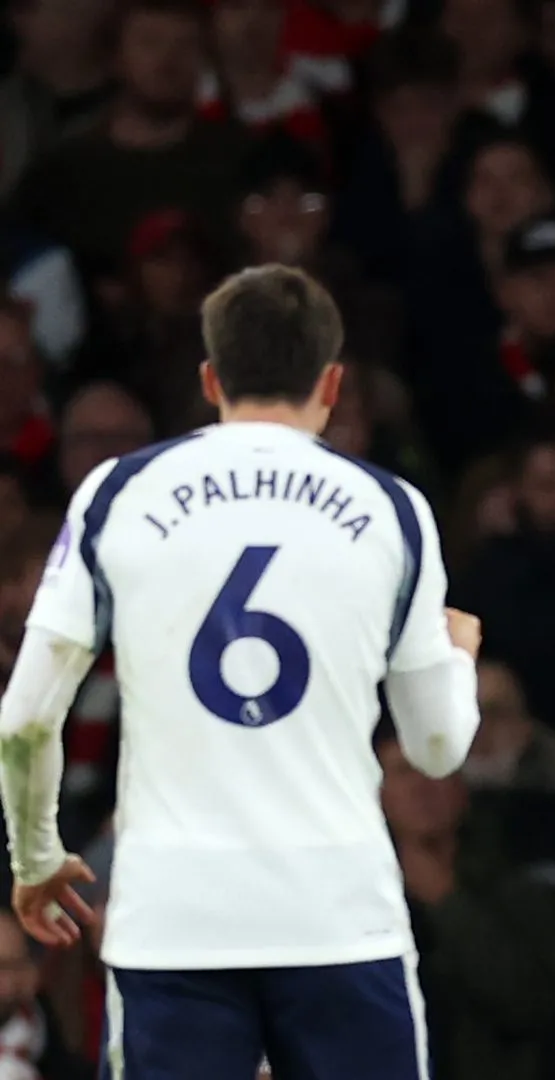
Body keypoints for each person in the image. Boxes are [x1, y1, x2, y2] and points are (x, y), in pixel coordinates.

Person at [0, 264, 482, 1078]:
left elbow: (26, 720)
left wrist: (35, 856)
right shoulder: (392, 508)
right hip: (338, 915)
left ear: (210, 379)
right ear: (332, 382)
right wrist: (459, 659)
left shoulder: (116, 494)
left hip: (174, 920)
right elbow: (437, 749)